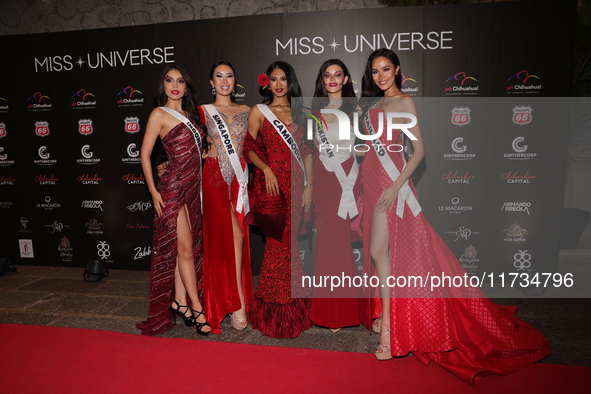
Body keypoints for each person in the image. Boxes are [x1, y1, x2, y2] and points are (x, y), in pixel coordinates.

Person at [359, 49, 550, 384]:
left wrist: (396, 185)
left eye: (386, 69)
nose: (381, 76)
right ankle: (388, 321)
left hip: (393, 187)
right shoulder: (373, 106)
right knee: (378, 254)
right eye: (375, 71)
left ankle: (389, 333)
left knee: (399, 256)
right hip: (373, 183)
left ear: (397, 69)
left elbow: (418, 152)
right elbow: (376, 146)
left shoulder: (404, 102)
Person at [137, 64, 211, 336]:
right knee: (187, 249)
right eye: (169, 80)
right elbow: (144, 155)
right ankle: (197, 306)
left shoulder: (191, 115)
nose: (175, 85)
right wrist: (154, 191)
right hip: (171, 190)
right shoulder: (159, 114)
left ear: (186, 86)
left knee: (185, 250)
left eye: (180, 80)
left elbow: (193, 153)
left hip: (193, 189)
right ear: (163, 85)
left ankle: (179, 301)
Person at [244, 61, 314, 339]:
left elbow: (308, 150)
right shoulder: (259, 111)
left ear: (290, 82)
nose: (278, 84)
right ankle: (275, 312)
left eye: (283, 78)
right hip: (271, 187)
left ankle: (292, 309)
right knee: (276, 246)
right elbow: (248, 148)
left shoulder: (299, 113)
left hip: (297, 186)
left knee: (291, 247)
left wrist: (309, 186)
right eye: (273, 79)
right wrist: (266, 169)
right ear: (266, 83)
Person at [309, 59, 369, 332]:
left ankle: (341, 312)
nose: (332, 79)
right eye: (327, 75)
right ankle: (327, 310)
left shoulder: (355, 109)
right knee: (325, 239)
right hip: (322, 178)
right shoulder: (314, 111)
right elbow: (310, 148)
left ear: (346, 79)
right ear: (322, 79)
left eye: (338, 75)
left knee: (338, 240)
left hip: (346, 176)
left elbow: (365, 148)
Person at [199, 61, 254, 333]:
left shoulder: (248, 110)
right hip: (213, 177)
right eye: (218, 76)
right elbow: (187, 143)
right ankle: (237, 303)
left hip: (240, 179)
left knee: (234, 242)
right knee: (235, 237)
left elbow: (256, 146)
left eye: (229, 76)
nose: (224, 80)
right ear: (211, 82)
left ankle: (228, 298)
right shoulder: (202, 111)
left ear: (235, 81)